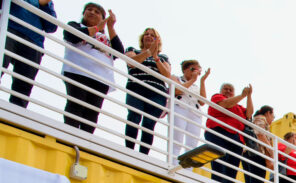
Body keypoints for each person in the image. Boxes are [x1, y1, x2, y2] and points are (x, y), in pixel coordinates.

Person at [62, 4, 123, 133]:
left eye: (97, 12)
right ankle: (69, 137)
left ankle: (85, 142)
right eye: (89, 10)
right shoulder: (76, 25)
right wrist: (97, 28)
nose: (92, 12)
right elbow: (70, 35)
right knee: (75, 105)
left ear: (102, 18)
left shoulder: (107, 38)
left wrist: (110, 27)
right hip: (77, 72)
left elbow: (119, 52)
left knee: (92, 113)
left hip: (101, 78)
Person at [124, 28, 171, 154]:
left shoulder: (163, 57)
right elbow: (131, 63)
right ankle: (129, 151)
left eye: (152, 35)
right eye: (146, 34)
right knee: (134, 117)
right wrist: (148, 52)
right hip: (136, 88)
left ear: (157, 40)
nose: (149, 36)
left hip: (156, 93)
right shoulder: (133, 50)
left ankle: (143, 155)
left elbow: (167, 75)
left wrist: (155, 57)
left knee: (149, 124)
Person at [3, 0, 57, 108]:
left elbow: (51, 27)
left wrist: (44, 5)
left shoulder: (48, 2)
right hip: (9, 29)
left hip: (33, 41)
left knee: (24, 83)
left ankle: (16, 114)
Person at [204, 83, 254, 183]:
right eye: (225, 89)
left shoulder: (239, 106)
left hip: (236, 138)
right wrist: (242, 95)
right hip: (219, 131)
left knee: (232, 168)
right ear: (221, 90)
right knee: (219, 164)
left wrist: (249, 96)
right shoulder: (217, 97)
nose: (228, 91)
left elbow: (249, 114)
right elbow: (226, 104)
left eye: (230, 90)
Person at [171, 60, 209, 160]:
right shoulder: (176, 78)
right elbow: (177, 91)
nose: (195, 72)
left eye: (198, 70)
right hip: (180, 108)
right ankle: (173, 163)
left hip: (195, 113)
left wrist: (202, 81)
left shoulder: (196, 87)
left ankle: (188, 170)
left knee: (192, 144)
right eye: (193, 69)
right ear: (185, 70)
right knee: (176, 140)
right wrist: (192, 80)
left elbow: (202, 101)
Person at [244, 105, 275, 183]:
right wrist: (272, 152)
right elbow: (260, 134)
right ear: (268, 113)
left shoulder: (257, 119)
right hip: (255, 153)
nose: (273, 119)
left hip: (250, 153)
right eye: (273, 116)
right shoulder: (261, 119)